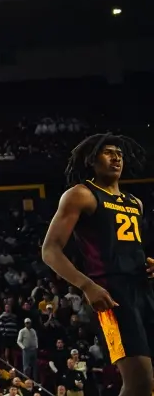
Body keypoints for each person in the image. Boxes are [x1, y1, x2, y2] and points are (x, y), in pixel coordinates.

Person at [41, 133, 151, 396]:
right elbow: (50, 250)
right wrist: (86, 286)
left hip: (143, 290)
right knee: (139, 383)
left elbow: (126, 248)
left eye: (120, 154)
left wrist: (148, 262)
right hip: (110, 296)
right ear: (91, 160)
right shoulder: (81, 194)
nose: (116, 158)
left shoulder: (135, 202)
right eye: (108, 152)